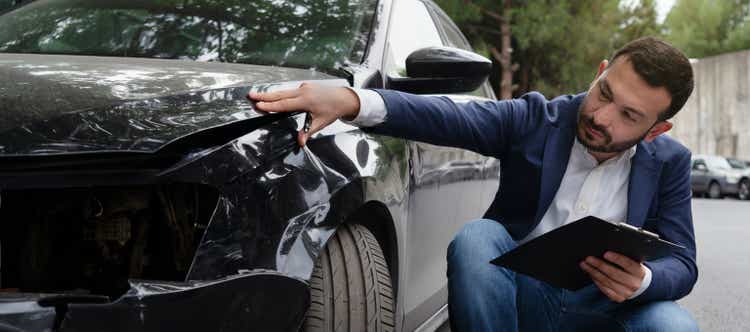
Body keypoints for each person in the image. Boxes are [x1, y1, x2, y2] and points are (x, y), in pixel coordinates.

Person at [248, 37, 698, 331]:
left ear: (657, 129)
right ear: (600, 71)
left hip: (603, 311)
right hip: (521, 299)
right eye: (604, 92)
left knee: (674, 325)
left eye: (629, 116)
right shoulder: (538, 119)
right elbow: (449, 115)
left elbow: (683, 262)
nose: (601, 116)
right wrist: (351, 99)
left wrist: (642, 281)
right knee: (479, 238)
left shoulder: (670, 163)